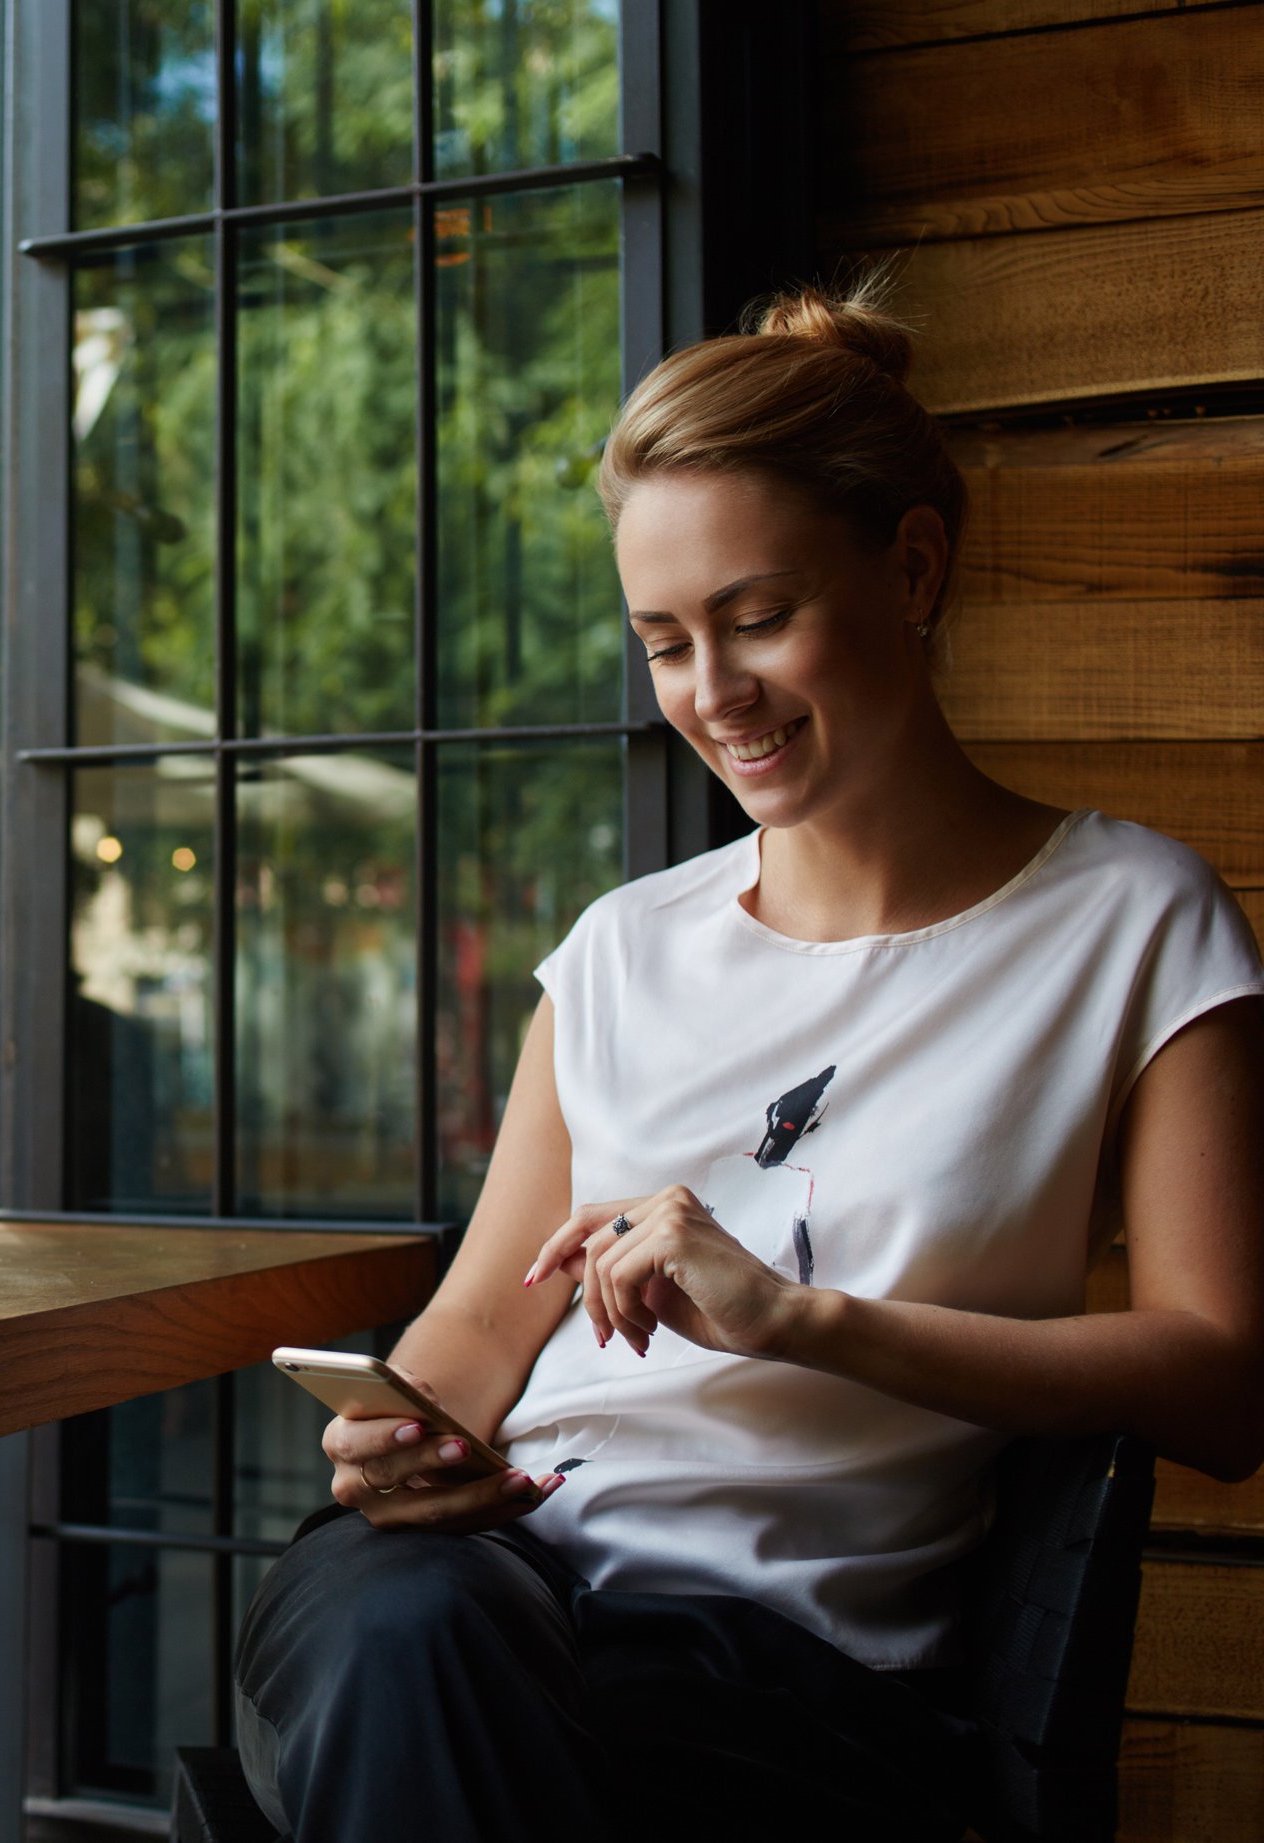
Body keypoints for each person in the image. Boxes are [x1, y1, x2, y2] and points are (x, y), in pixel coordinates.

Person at [233, 276, 1264, 1842]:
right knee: (404, 1629)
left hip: (789, 1669)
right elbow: (473, 1328)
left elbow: (1223, 1377)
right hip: (478, 1586)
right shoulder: (619, 949)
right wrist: (399, 1445)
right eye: (661, 642)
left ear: (910, 566)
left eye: (756, 617)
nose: (711, 696)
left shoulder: (1127, 920)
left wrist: (798, 1320)